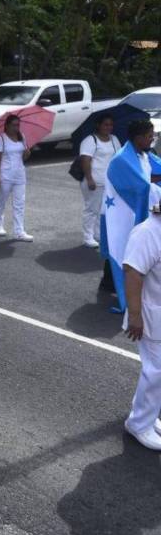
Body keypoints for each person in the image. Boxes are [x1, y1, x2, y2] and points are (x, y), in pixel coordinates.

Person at [101, 119, 161, 311]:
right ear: (139, 137)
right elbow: (142, 187)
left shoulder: (142, 154)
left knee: (128, 248)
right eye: (149, 136)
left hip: (132, 211)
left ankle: (110, 283)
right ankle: (115, 286)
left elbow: (151, 173)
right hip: (121, 213)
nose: (152, 140)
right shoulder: (121, 160)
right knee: (121, 247)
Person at [122, 204, 161, 449]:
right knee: (156, 372)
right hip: (150, 317)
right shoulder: (148, 232)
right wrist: (135, 316)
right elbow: (133, 273)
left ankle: (147, 416)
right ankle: (139, 425)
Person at [79, 114, 120, 248]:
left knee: (103, 209)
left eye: (111, 125)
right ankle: (87, 237)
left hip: (109, 182)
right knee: (91, 209)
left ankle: (98, 234)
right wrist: (90, 179)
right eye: (106, 124)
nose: (109, 127)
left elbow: (119, 157)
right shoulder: (90, 140)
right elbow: (85, 160)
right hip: (94, 181)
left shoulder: (114, 139)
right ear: (98, 125)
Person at [0, 114, 33, 241]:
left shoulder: (22, 137)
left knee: (19, 204)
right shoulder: (0, 139)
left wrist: (27, 154)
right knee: (1, 202)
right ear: (7, 125)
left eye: (18, 125)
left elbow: (23, 158)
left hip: (20, 175)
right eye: (14, 125)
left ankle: (19, 231)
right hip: (5, 175)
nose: (17, 127)